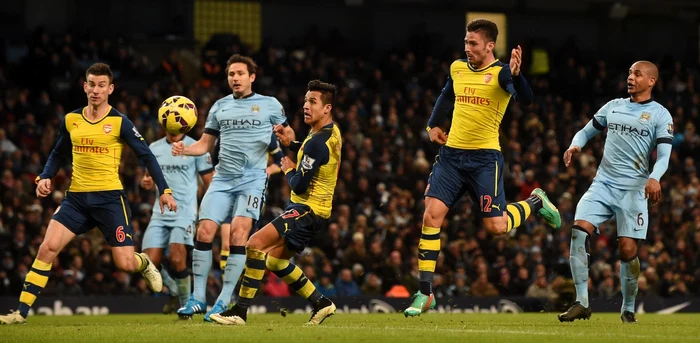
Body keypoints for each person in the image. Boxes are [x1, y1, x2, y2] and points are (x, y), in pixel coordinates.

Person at [403, 18, 562, 317]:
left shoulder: (502, 73)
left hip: (484, 160)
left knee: (497, 227)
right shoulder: (457, 68)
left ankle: (537, 201)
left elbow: (527, 100)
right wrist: (433, 124)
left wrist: (519, 75)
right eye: (466, 42)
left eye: (473, 43)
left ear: (490, 46)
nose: (467, 48)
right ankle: (425, 293)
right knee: (431, 215)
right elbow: (447, 95)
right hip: (451, 157)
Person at [0, 63, 176, 324]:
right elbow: (59, 152)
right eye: (91, 84)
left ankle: (144, 263)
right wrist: (45, 176)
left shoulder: (119, 122)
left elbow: (146, 156)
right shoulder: (71, 120)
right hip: (77, 200)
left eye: (101, 85)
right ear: (85, 86)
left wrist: (165, 191)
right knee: (46, 248)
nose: (96, 90)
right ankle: (20, 313)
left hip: (109, 200)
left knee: (125, 264)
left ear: (110, 89)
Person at [173, 54, 293, 321]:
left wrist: (286, 136)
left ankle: (223, 301)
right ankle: (197, 299)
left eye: (240, 73)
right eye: (231, 74)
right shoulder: (219, 107)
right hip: (222, 178)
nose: (235, 78)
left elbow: (289, 135)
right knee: (204, 231)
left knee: (238, 235)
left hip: (252, 180)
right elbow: (205, 145)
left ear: (252, 77)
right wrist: (185, 149)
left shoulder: (269, 104)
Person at [210, 80, 340, 326]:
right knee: (275, 261)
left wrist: (289, 169)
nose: (305, 106)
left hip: (307, 209)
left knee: (255, 244)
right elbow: (315, 155)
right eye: (305, 100)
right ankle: (322, 302)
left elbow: (299, 184)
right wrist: (291, 145)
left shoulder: (316, 142)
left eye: (313, 102)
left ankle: (240, 310)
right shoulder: (330, 133)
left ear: (327, 108)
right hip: (317, 210)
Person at [558, 61, 672, 324]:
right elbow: (586, 131)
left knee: (627, 251)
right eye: (630, 73)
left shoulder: (660, 115)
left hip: (633, 190)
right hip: (603, 184)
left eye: (637, 74)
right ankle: (582, 302)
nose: (630, 77)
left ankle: (628, 308)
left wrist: (655, 177)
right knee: (578, 231)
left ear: (651, 81)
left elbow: (664, 156)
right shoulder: (613, 106)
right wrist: (575, 145)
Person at [140, 129, 214, 313]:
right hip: (160, 213)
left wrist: (208, 213)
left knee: (177, 257)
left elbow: (210, 183)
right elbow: (149, 175)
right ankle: (174, 291)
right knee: (148, 263)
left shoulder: (196, 147)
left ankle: (185, 306)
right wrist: (146, 180)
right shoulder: (154, 148)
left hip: (185, 213)